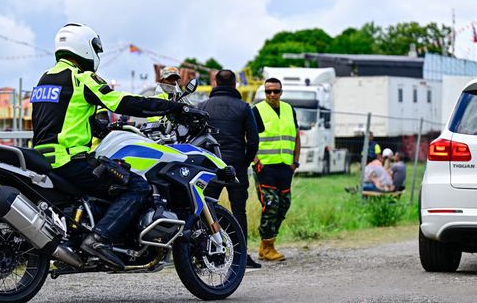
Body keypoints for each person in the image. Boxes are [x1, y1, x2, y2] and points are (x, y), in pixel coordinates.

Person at [32, 23, 186, 270]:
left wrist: (99, 128)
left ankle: (81, 236)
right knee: (137, 185)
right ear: (83, 47)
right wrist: (170, 106)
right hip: (70, 159)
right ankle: (100, 238)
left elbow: (62, 118)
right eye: (95, 48)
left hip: (41, 159)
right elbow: (122, 102)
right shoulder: (81, 78)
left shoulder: (45, 79)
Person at [197, 69, 261, 268]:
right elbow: (253, 140)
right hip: (236, 166)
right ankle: (241, 256)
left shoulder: (203, 106)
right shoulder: (243, 107)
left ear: (215, 84)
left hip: (210, 166)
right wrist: (245, 160)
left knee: (205, 209)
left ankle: (202, 255)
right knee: (239, 210)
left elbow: (197, 137)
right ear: (235, 85)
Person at [251, 77, 300, 262]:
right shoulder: (257, 110)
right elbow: (248, 137)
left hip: (285, 167)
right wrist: (255, 160)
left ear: (281, 92)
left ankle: (266, 245)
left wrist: (295, 162)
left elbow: (296, 136)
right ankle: (268, 245)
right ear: (265, 93)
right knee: (270, 204)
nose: (272, 94)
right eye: (268, 91)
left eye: (276, 91)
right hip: (265, 167)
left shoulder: (289, 109)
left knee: (284, 204)